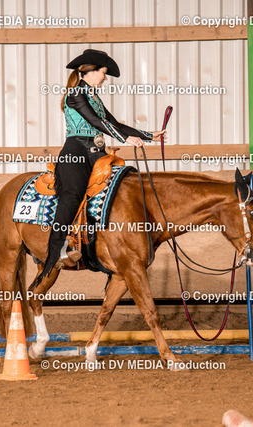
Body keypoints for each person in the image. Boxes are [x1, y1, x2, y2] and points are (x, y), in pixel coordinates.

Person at [33, 49, 166, 288]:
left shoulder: (94, 97)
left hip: (96, 154)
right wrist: (125, 139)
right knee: (73, 194)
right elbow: (97, 122)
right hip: (76, 153)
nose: (105, 78)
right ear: (89, 71)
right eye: (103, 73)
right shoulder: (76, 94)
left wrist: (148, 135)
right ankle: (58, 247)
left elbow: (113, 123)